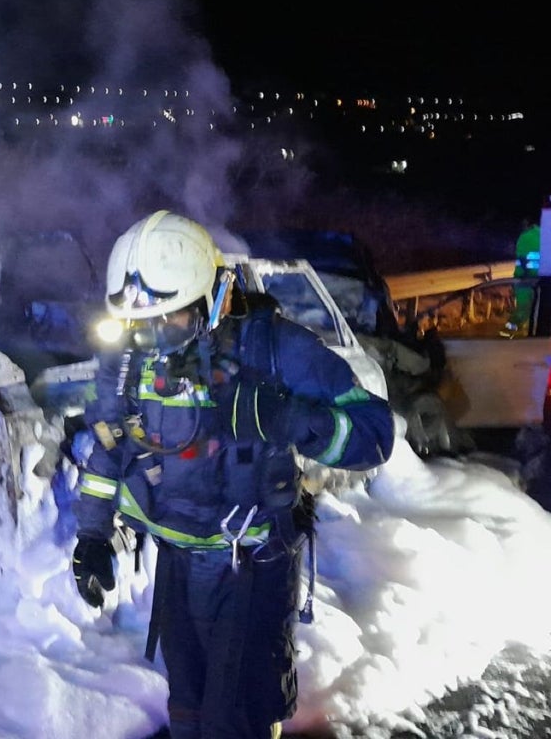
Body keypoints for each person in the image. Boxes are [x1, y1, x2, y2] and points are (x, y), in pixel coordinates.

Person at [70, 211, 394, 739]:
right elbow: (109, 448)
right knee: (190, 714)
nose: (152, 338)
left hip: (251, 568)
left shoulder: (276, 349)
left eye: (169, 320)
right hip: (175, 568)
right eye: (140, 325)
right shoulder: (130, 358)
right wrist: (91, 535)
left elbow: (374, 434)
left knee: (238, 719)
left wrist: (286, 417)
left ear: (212, 298)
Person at [502, 215, 541, 337]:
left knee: (522, 312)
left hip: (526, 283)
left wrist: (516, 282)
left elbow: (521, 264)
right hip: (542, 283)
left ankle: (506, 335)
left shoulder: (525, 237)